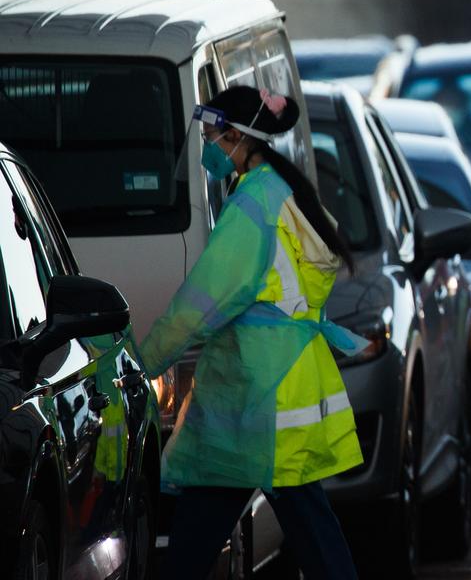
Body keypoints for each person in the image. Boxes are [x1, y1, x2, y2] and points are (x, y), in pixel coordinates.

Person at [136, 86, 364, 580]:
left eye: (212, 136)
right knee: (297, 524)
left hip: (255, 393)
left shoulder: (252, 204)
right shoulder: (282, 192)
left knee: (213, 524)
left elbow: (204, 300)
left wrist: (142, 362)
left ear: (237, 137)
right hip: (284, 381)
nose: (208, 147)